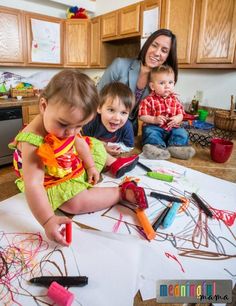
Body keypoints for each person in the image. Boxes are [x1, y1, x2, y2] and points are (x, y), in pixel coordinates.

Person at [9, 70, 147, 247]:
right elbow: (34, 184)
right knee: (74, 204)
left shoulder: (68, 126)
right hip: (52, 180)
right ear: (43, 106)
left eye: (79, 126)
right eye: (64, 125)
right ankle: (121, 192)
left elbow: (79, 142)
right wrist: (48, 220)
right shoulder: (32, 142)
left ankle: (112, 163)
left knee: (95, 145)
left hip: (70, 163)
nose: (71, 132)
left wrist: (90, 167)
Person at [97, 28, 178, 136]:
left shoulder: (162, 82)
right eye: (154, 45)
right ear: (147, 45)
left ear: (168, 56)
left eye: (164, 50)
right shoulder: (119, 65)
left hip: (131, 134)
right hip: (103, 127)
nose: (157, 53)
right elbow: (96, 97)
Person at [138, 65, 195, 160]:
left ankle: (176, 147)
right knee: (150, 132)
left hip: (172, 128)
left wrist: (177, 118)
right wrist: (154, 119)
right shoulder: (148, 100)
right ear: (152, 86)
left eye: (170, 82)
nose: (167, 86)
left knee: (182, 132)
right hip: (155, 127)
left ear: (174, 84)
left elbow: (181, 114)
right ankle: (156, 148)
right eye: (162, 83)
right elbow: (142, 116)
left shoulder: (175, 100)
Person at [82, 82, 135, 156]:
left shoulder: (127, 126)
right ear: (99, 108)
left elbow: (129, 147)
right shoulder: (91, 121)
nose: (117, 118)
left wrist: (114, 148)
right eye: (111, 110)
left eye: (123, 113)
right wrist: (103, 147)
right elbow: (83, 141)